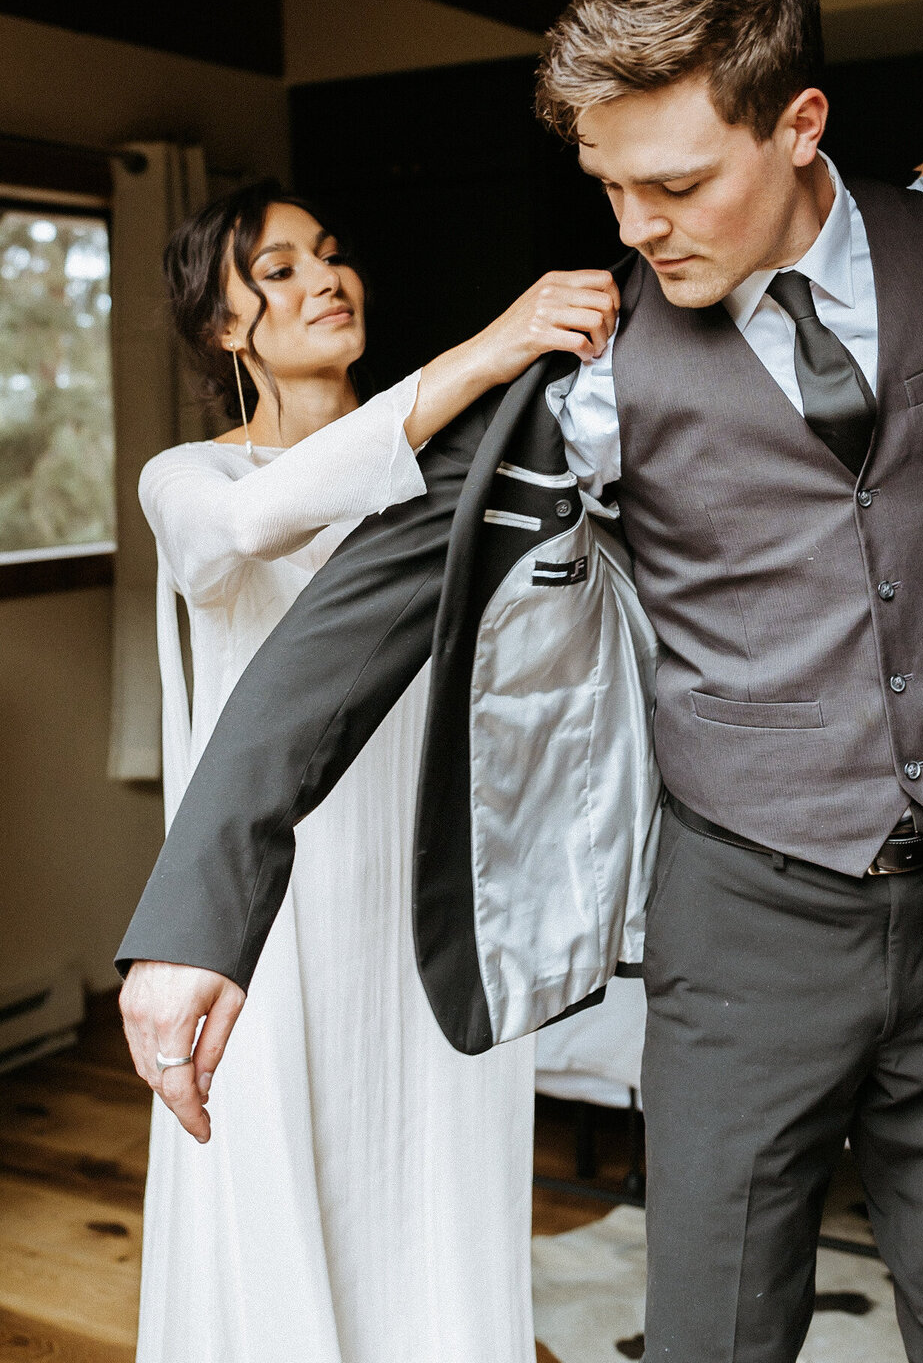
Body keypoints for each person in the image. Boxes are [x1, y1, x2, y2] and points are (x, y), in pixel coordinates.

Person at [118, 0, 923, 1363]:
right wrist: (198, 916)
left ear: (802, 124)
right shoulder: (599, 381)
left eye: (676, 183)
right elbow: (367, 604)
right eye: (608, 187)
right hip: (748, 924)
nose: (634, 230)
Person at [129, 177, 618, 1363]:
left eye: (330, 255)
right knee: (287, 1170)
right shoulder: (190, 480)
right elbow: (260, 530)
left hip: (425, 867)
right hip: (275, 909)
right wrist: (489, 349)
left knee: (432, 1163)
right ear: (221, 327)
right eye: (280, 269)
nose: (323, 280)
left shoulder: (462, 466)